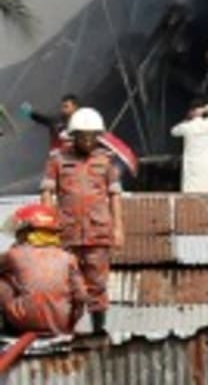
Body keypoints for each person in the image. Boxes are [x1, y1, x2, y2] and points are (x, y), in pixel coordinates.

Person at [42, 107, 121, 335]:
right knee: (67, 285)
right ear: (73, 135)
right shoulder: (57, 161)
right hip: (66, 233)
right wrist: (47, 227)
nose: (87, 140)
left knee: (97, 283)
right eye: (82, 135)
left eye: (92, 136)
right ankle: (68, 330)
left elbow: (114, 196)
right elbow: (47, 194)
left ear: (98, 136)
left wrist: (118, 229)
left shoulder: (106, 162)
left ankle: (99, 329)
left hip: (98, 233)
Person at [0, 204, 85, 336]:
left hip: (24, 321)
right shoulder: (68, 258)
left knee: (3, 281)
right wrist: (71, 321)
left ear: (26, 232)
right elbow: (81, 295)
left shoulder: (14, 254)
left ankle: (8, 328)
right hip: (61, 323)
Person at [172, 99, 208, 194]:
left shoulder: (186, 127)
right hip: (207, 164)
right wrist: (204, 110)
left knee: (192, 193)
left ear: (191, 112)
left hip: (192, 167)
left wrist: (187, 119)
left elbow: (173, 131)